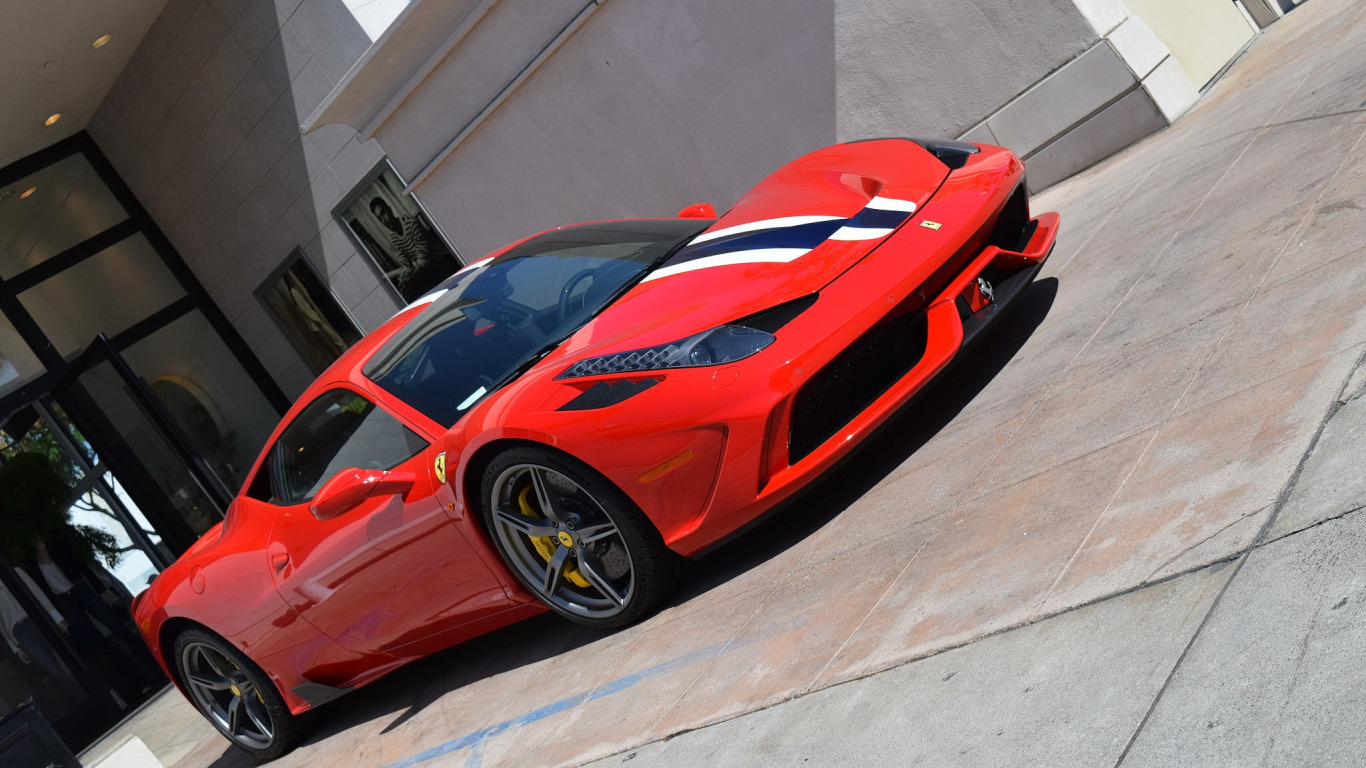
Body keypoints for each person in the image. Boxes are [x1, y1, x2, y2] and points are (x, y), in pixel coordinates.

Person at [0, 568, 83, 699]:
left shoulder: (14, 571)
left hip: (37, 618)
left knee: (70, 660)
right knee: (55, 672)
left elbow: (36, 592)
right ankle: (85, 697)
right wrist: (13, 646)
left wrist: (56, 617)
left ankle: (103, 695)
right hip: (19, 632)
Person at [369, 197, 445, 295]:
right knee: (406, 288)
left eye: (383, 213)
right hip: (425, 271)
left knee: (415, 285)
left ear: (390, 209)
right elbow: (406, 263)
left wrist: (410, 277)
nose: (384, 220)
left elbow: (424, 259)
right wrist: (403, 277)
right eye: (379, 218)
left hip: (439, 260)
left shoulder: (410, 222)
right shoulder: (394, 238)